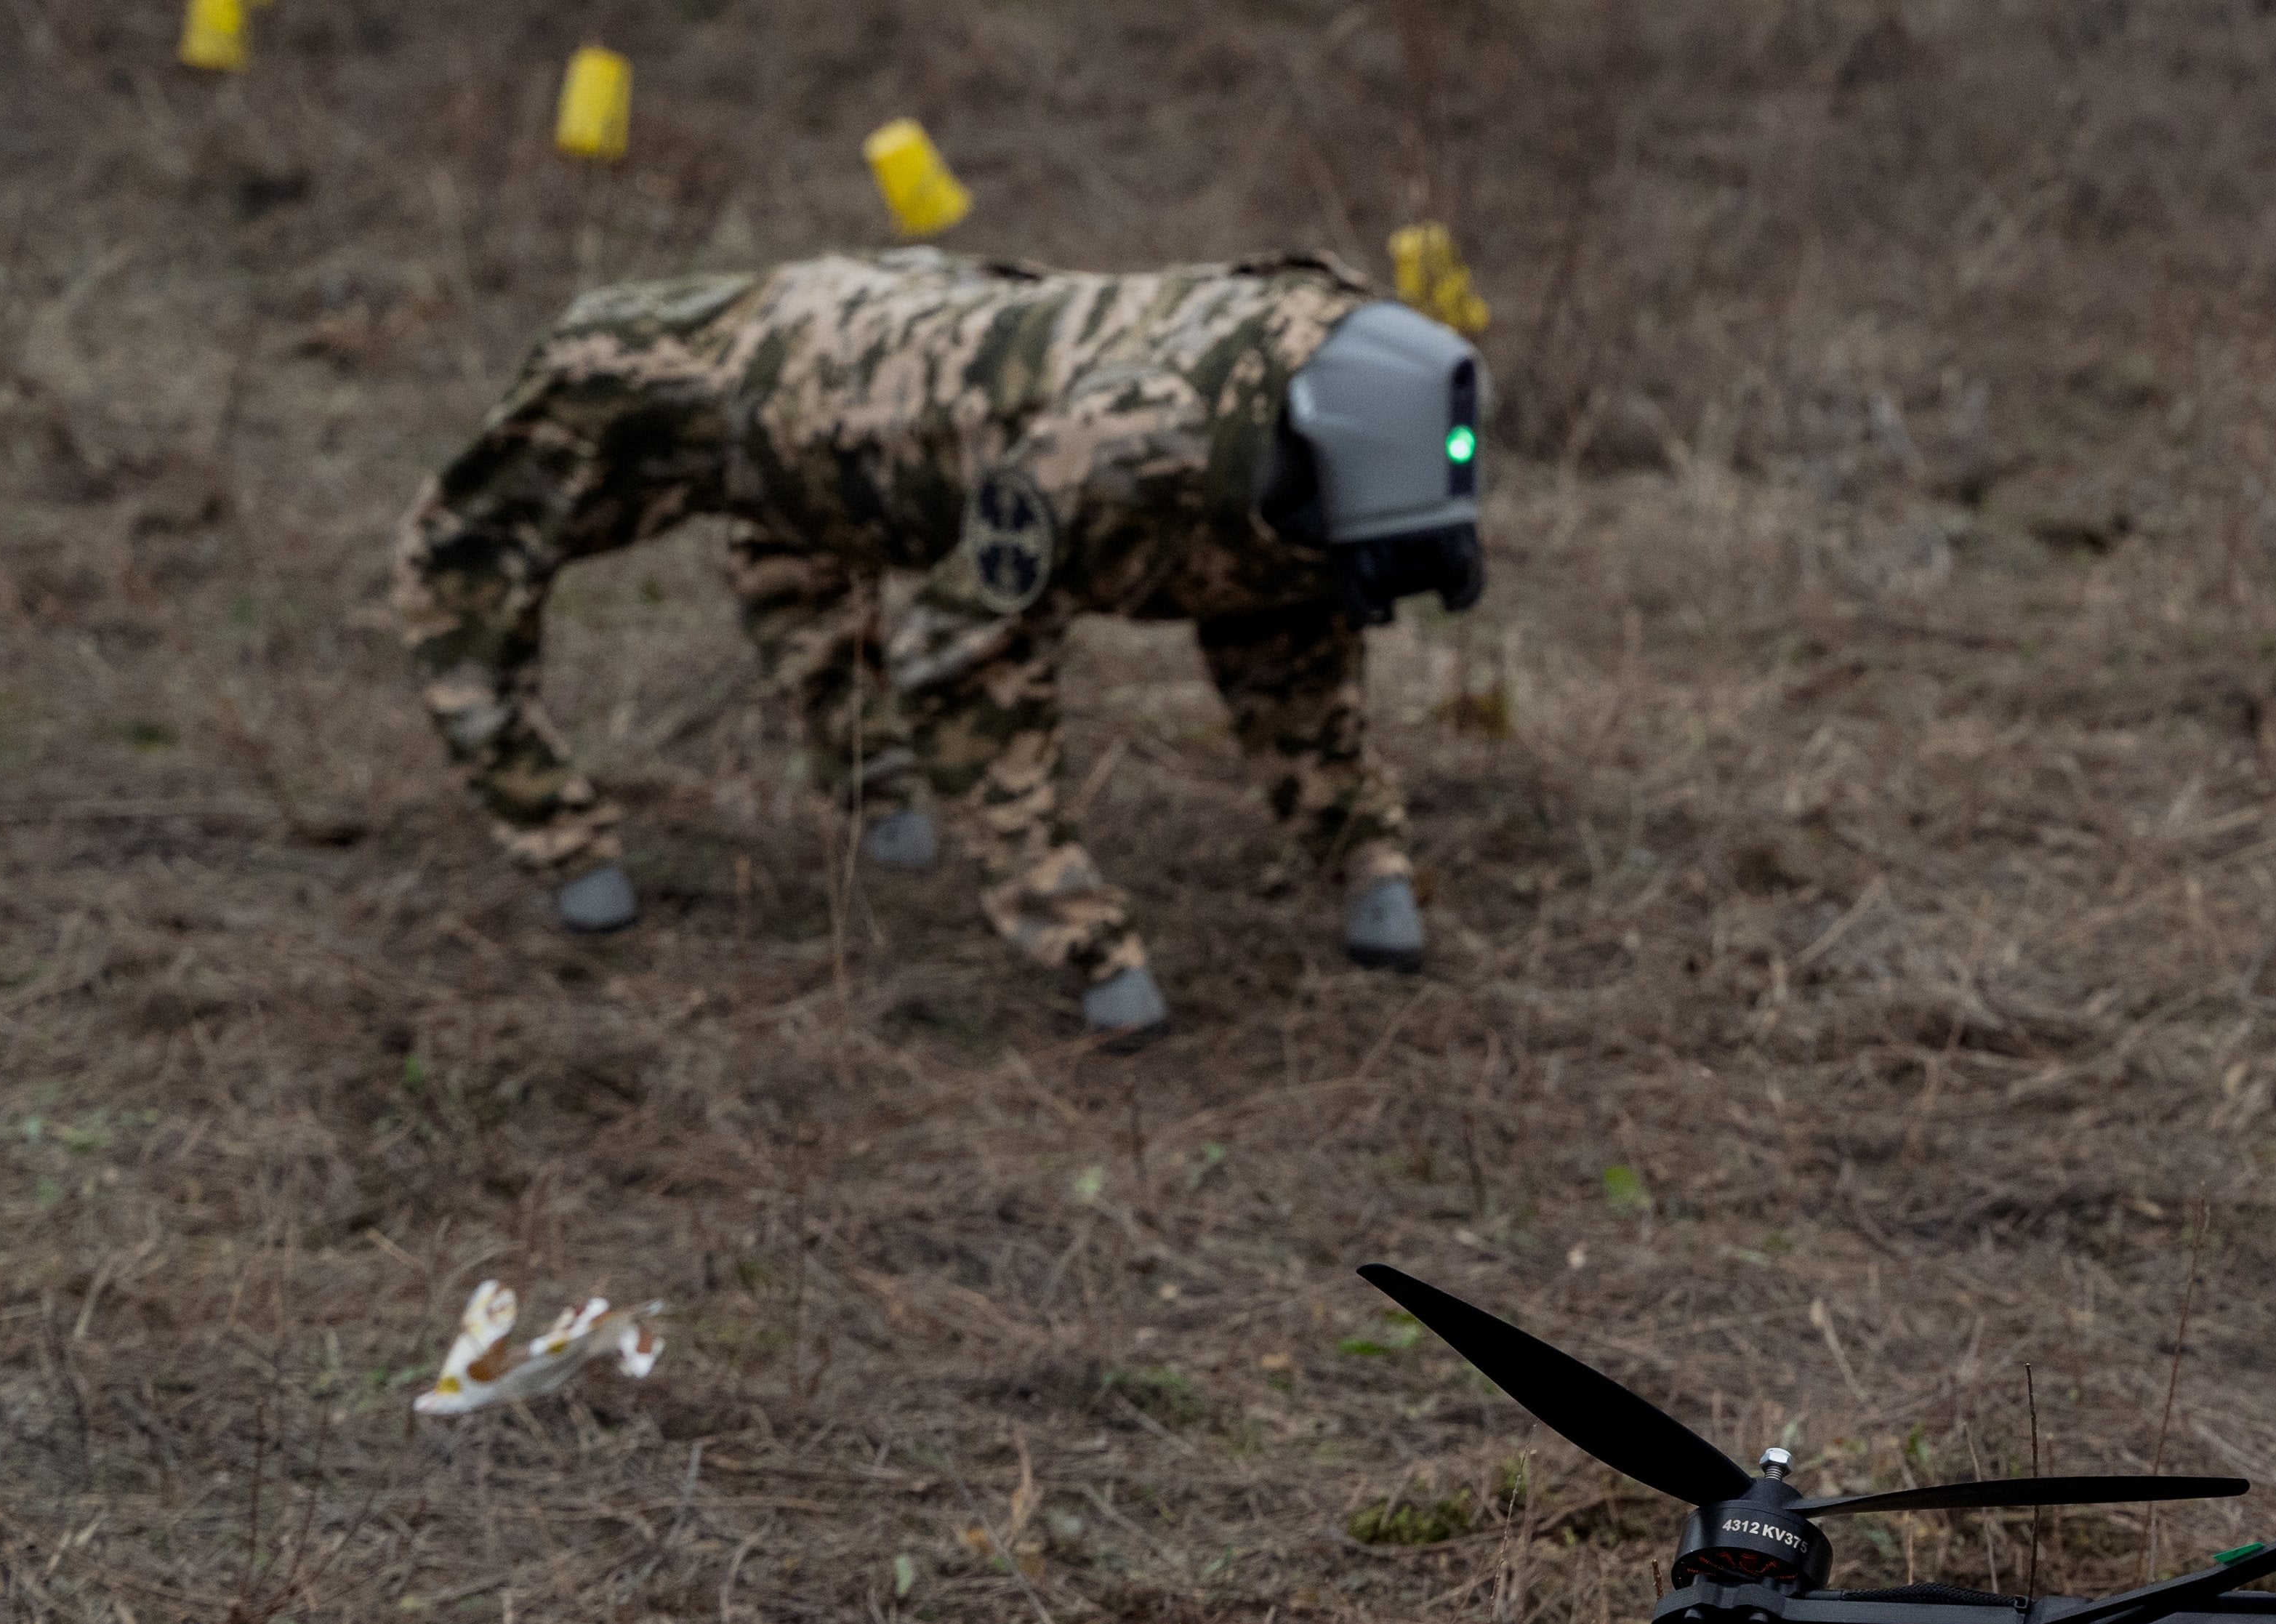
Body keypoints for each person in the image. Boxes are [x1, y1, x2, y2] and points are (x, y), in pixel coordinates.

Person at [390, 246, 1487, 1043]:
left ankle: (880, 798)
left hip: (932, 338)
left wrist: (1362, 843)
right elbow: (962, 647)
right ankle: (563, 836)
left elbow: (1289, 630)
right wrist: (1073, 923)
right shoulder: (1119, 444)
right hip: (758, 384)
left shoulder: (1356, 363)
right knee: (475, 559)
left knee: (1290, 609)